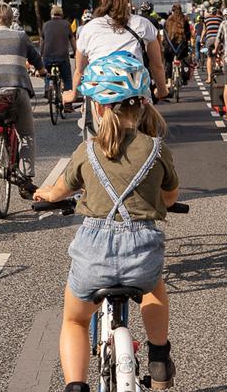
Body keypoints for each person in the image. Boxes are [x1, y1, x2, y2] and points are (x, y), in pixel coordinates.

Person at [35, 53, 179, 392]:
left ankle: (75, 386)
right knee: (154, 289)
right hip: (142, 255)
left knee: (74, 318)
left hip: (93, 256)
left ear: (98, 108)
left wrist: (46, 195)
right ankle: (159, 356)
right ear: (142, 104)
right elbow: (170, 196)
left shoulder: (88, 150)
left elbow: (59, 190)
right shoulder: (156, 149)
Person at [0, 2, 46, 199]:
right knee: (26, 135)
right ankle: (26, 180)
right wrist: (41, 71)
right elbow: (36, 58)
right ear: (10, 19)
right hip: (16, 90)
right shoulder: (21, 36)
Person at [64, 0, 168, 105]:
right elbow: (156, 65)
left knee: (89, 115)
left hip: (100, 94)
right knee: (148, 120)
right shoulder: (143, 24)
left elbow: (79, 70)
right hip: (134, 92)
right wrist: (162, 91)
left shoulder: (88, 29)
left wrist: (73, 94)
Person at [41, 5, 76, 106]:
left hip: (47, 57)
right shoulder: (66, 24)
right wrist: (75, 52)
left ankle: (48, 88)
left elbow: (42, 42)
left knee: (47, 74)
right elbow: (72, 40)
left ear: (51, 14)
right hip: (62, 57)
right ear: (61, 14)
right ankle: (68, 103)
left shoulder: (45, 25)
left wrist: (41, 54)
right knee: (67, 78)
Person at [162, 4, 191, 85]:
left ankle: (169, 80)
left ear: (172, 11)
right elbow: (188, 33)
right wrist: (187, 41)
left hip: (170, 47)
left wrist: (164, 43)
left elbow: (165, 33)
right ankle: (184, 78)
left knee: (168, 61)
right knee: (184, 58)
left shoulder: (168, 20)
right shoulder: (184, 19)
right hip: (181, 47)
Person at [202, 6, 223, 83]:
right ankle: (222, 69)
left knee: (209, 58)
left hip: (209, 39)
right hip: (218, 39)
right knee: (221, 54)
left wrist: (201, 40)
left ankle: (209, 77)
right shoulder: (220, 18)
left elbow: (204, 30)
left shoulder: (206, 19)